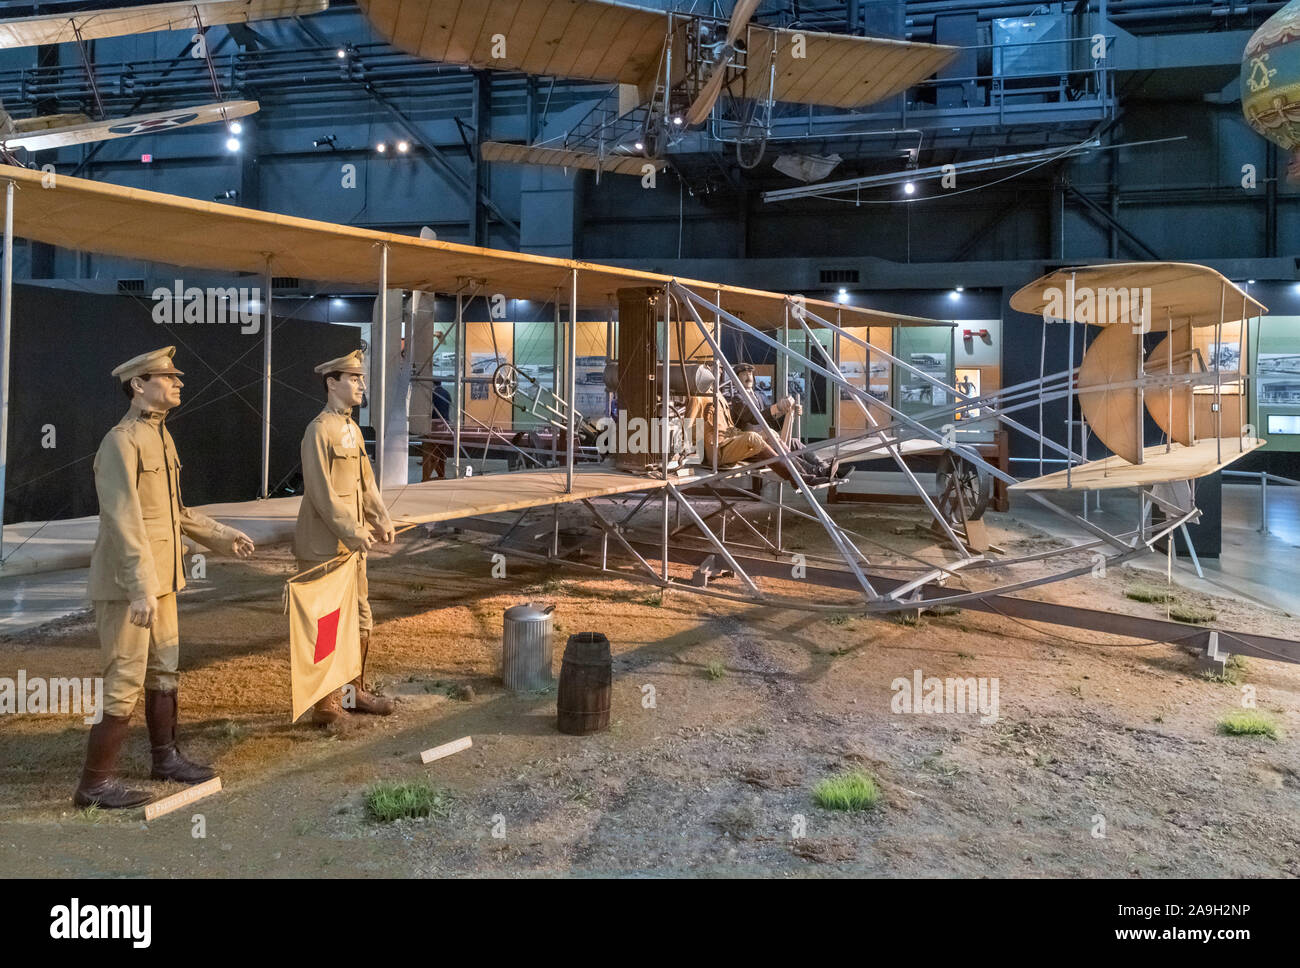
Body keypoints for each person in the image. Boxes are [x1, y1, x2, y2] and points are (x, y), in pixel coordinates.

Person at [76, 346, 256, 809]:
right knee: (124, 679)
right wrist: (138, 587)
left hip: (163, 581)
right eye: (167, 376)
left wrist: (221, 536)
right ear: (138, 385)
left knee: (164, 671)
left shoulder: (161, 438)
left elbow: (173, 513)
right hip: (128, 586)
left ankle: (166, 760)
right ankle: (94, 786)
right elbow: (123, 520)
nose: (178, 383)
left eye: (177, 377)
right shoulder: (121, 441)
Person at [296, 350, 396, 726]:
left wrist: (380, 517)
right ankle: (326, 704)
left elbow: (365, 483)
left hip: (351, 549)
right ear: (331, 383)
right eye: (353, 378)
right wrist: (355, 530)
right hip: (323, 546)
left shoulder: (352, 430)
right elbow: (320, 492)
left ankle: (354, 694)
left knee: (360, 620)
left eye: (361, 378)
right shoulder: (318, 430)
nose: (360, 385)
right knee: (326, 624)